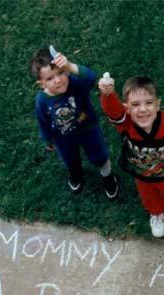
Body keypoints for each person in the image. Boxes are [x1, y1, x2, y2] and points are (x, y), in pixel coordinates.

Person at [98, 74, 164, 237]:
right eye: (135, 104)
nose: (143, 109)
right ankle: (157, 214)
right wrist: (108, 94)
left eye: (149, 103)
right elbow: (114, 111)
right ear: (127, 108)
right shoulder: (126, 124)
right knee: (149, 197)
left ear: (157, 105)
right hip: (142, 174)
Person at [29, 47, 118, 198]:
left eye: (60, 73)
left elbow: (91, 78)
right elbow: (43, 121)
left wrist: (70, 65)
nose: (58, 80)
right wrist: (47, 138)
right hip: (63, 137)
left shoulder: (75, 84)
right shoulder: (41, 100)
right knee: (70, 159)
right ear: (41, 84)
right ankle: (75, 174)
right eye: (50, 78)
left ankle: (108, 176)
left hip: (88, 129)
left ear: (66, 71)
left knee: (99, 156)